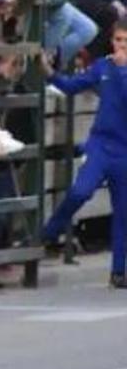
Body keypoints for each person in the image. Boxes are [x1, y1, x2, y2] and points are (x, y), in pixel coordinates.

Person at [42, 20, 127, 287]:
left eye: (125, 42)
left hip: (124, 150)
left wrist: (123, 71)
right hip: (101, 144)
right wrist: (50, 73)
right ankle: (49, 231)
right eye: (118, 40)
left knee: (122, 212)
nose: (120, 47)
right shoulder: (102, 66)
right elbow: (72, 85)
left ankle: (118, 271)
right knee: (81, 190)